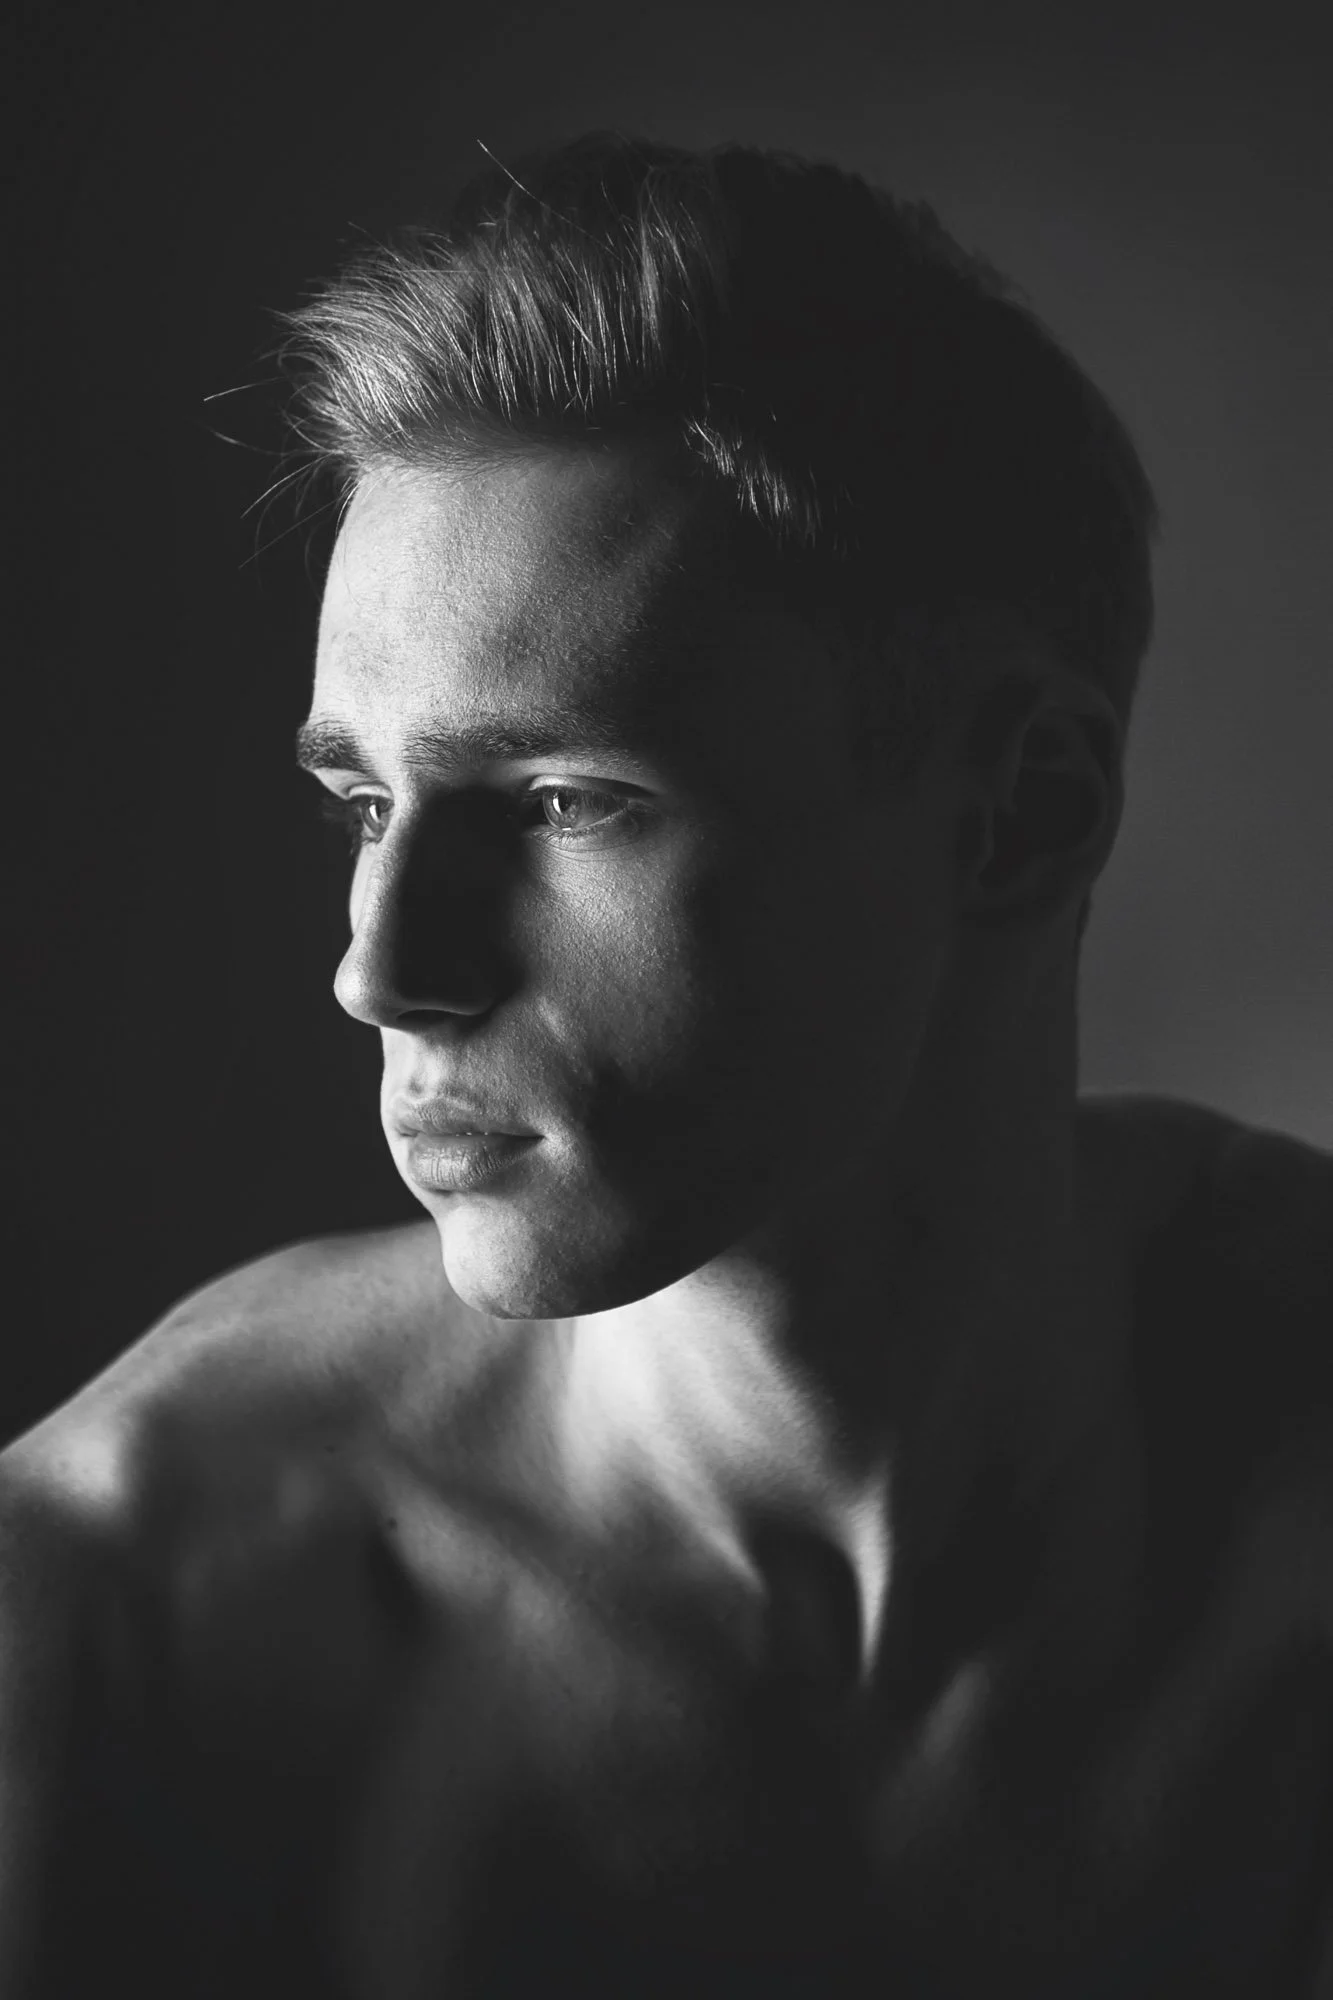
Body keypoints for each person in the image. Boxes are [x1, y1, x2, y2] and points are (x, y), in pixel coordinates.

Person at [1, 131, 1329, 2000]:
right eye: (366, 800)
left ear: (1023, 810)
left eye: (564, 799)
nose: (380, 969)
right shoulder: (112, 1614)